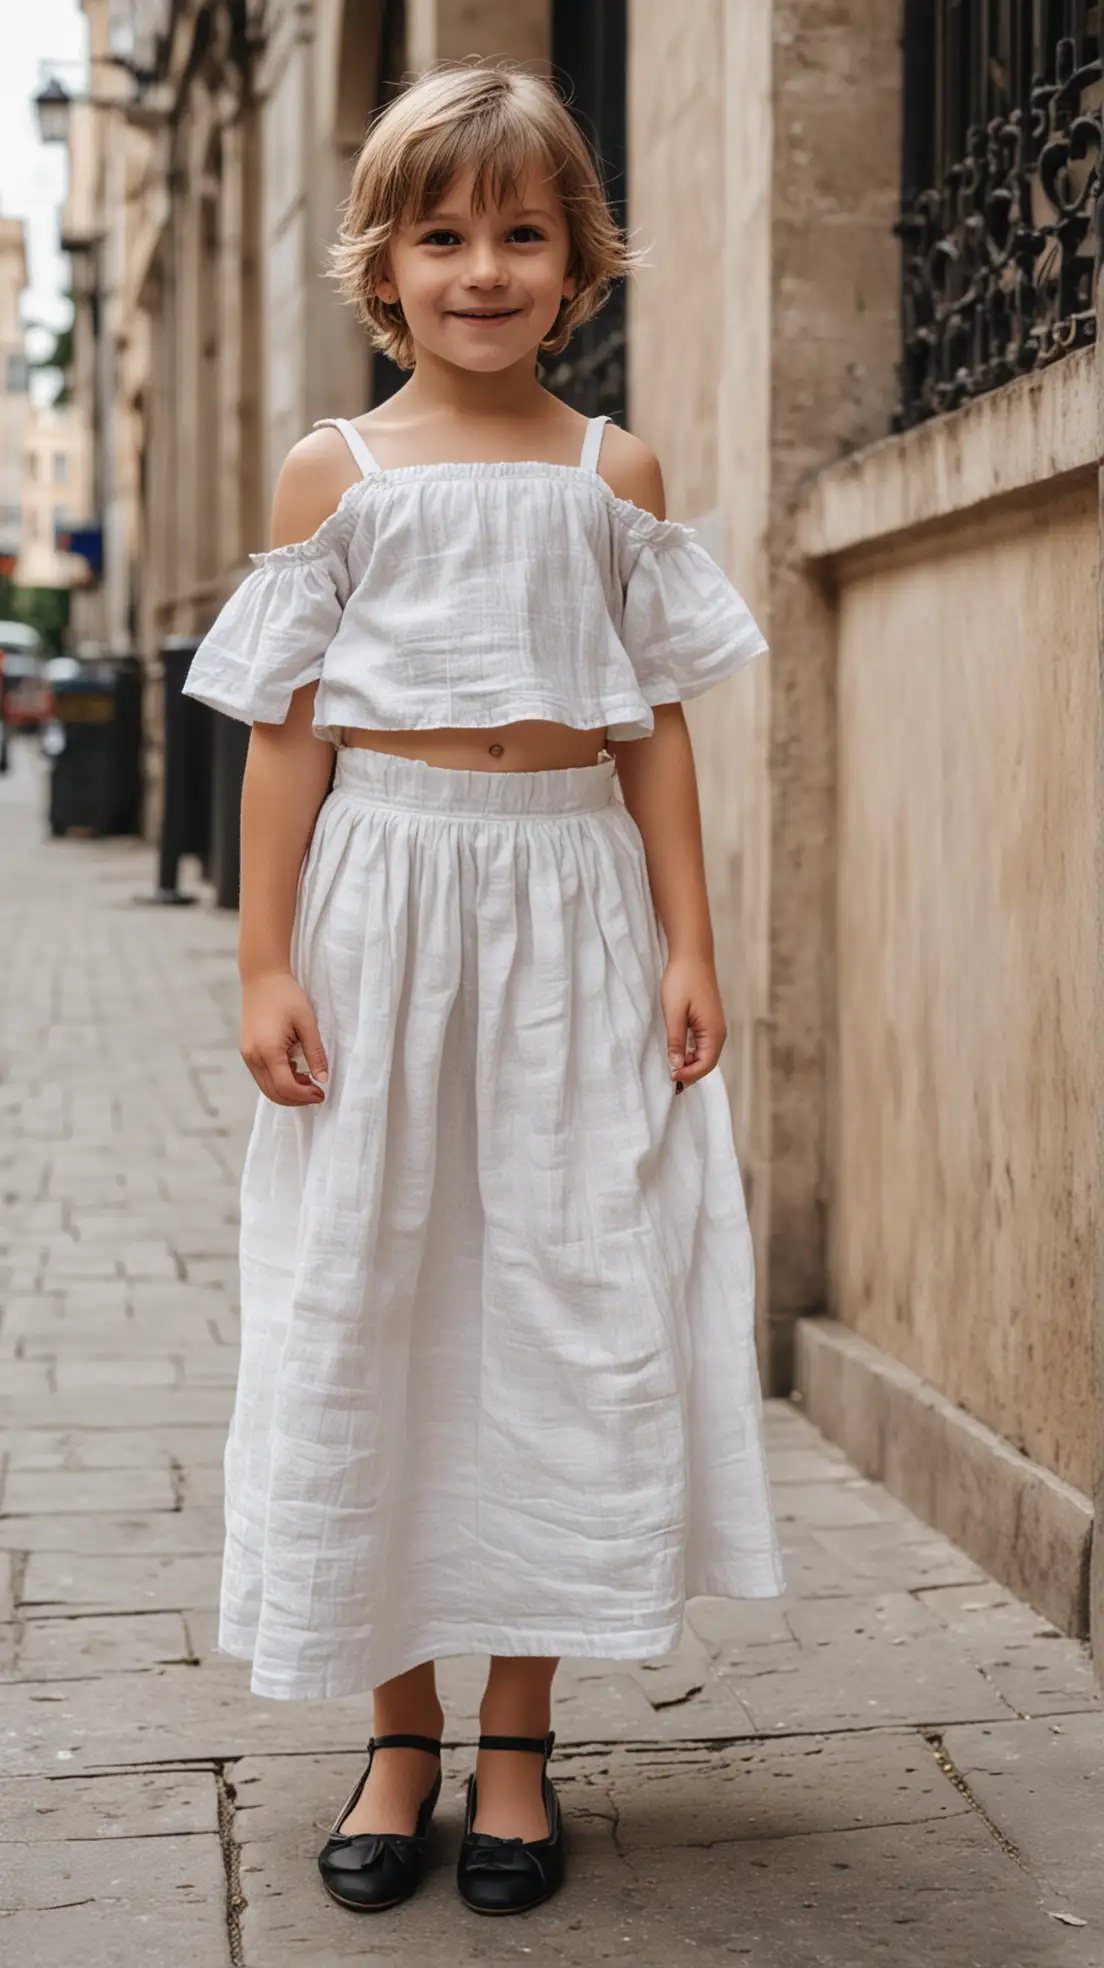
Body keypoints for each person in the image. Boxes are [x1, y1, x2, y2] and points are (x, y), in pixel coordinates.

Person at [182, 58, 785, 1921]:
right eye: (443, 236)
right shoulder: (332, 471)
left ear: (578, 264)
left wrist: (691, 943)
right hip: (386, 904)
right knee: (371, 1293)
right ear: (387, 267)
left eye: (523, 233)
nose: (483, 269)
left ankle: (518, 1734)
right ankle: (396, 1730)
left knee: (558, 1298)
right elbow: (285, 737)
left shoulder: (616, 473)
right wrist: (266, 953)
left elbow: (656, 730)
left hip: (570, 915)